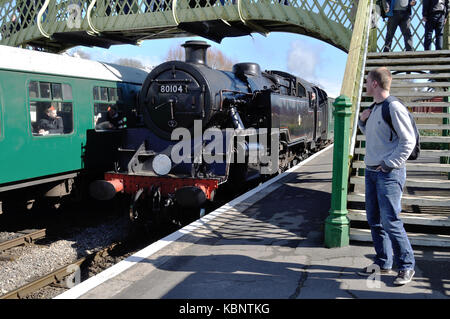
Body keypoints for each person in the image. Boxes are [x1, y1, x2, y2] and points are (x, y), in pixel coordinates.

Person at [357, 67, 416, 285]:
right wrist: (363, 121)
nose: (365, 84)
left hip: (388, 173)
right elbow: (375, 136)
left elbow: (407, 141)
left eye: (367, 81)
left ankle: (407, 266)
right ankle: (384, 262)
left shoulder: (394, 107)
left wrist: (389, 164)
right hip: (372, 172)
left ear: (374, 84)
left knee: (391, 221)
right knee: (374, 220)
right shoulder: (373, 108)